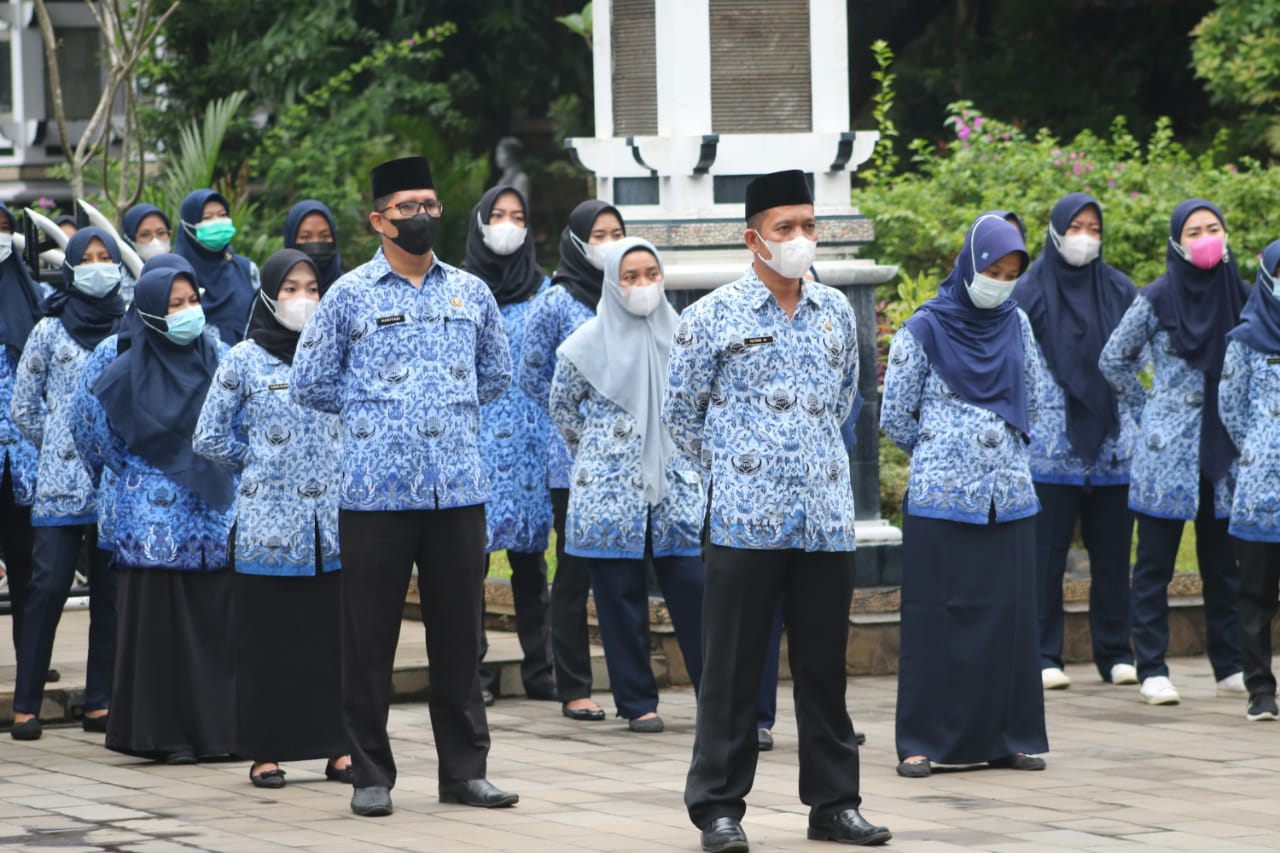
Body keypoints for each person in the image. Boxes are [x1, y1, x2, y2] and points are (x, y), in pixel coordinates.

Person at [666, 170, 890, 851]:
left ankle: (833, 803)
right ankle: (718, 807)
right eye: (785, 228)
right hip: (742, 520)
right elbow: (682, 418)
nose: (799, 239)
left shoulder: (834, 315)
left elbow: (849, 399)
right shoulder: (711, 317)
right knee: (732, 670)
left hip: (824, 520)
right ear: (753, 237)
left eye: (808, 226)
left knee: (825, 667)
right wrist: (734, 476)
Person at [291, 155, 518, 818]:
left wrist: (443, 412)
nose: (420, 216)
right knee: (369, 641)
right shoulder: (350, 296)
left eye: (429, 204)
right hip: (374, 498)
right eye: (406, 208)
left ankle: (465, 769)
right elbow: (310, 380)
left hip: (456, 493)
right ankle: (370, 771)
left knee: (460, 638)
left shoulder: (469, 292)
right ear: (378, 220)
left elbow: (496, 374)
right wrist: (373, 416)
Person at [882, 213, 1049, 779]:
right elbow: (896, 416)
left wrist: (1006, 457)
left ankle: (1008, 737)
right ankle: (921, 742)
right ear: (969, 263)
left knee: (1010, 616)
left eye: (1010, 272)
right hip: (941, 500)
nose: (999, 281)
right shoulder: (923, 328)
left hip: (1010, 497)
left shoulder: (1017, 323)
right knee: (937, 619)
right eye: (991, 269)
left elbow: (1037, 396)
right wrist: (945, 456)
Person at [194, 248, 350, 787]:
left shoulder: (337, 354)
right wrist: (258, 463)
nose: (302, 300)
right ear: (268, 294)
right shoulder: (244, 358)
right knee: (268, 646)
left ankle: (338, 748)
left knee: (330, 645)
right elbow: (208, 435)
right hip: (266, 529)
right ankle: (265, 752)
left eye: (312, 288)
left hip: (330, 531)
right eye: (290, 289)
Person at [71, 266, 237, 763]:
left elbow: (237, 419)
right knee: (159, 630)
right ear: (146, 309)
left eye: (191, 300)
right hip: (150, 525)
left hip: (210, 517)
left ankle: (217, 735)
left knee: (212, 629)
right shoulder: (116, 357)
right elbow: (89, 430)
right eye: (173, 303)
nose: (187, 312)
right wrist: (142, 470)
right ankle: (161, 736)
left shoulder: (219, 353)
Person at [551, 237, 705, 732]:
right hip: (609, 491)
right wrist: (602, 449)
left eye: (651, 275)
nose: (642, 286)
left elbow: (701, 404)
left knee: (695, 594)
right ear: (613, 283)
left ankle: (719, 699)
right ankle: (638, 703)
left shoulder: (687, 337)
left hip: (676, 488)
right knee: (618, 599)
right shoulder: (582, 345)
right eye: (631, 277)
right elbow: (562, 409)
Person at [1100, 198, 1247, 705]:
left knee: (1223, 564)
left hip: (1225, 450)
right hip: (1168, 451)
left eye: (1213, 228)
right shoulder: (1157, 297)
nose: (1205, 238)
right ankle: (1153, 667)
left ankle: (1229, 664)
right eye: (1193, 231)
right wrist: (1150, 410)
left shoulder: (1245, 298)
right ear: (1176, 242)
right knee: (1155, 564)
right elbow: (1113, 359)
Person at [1012, 193, 1139, 690]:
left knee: (1112, 553)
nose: (1084, 236)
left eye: (1094, 227)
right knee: (1046, 556)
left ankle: (1115, 652)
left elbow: (1135, 360)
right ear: (1056, 230)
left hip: (1111, 446)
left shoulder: (1119, 288)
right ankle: (1045, 654)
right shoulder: (1029, 290)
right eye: (1076, 226)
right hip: (1051, 448)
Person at [8, 228, 126, 740]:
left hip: (114, 485)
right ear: (72, 267)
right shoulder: (49, 329)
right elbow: (22, 406)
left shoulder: (129, 326)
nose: (98, 266)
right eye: (89, 258)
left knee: (109, 594)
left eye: (106, 257)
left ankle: (99, 702)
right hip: (58, 486)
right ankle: (26, 704)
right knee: (47, 588)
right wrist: (55, 441)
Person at [519, 199, 625, 723]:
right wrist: (574, 425)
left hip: (628, 461)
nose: (609, 242)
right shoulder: (557, 302)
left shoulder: (631, 293)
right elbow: (532, 375)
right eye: (599, 234)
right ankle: (574, 685)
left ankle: (633, 687)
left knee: (624, 570)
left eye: (617, 232)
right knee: (575, 568)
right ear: (578, 241)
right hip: (573, 459)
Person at [463, 184, 556, 705]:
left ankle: (541, 670)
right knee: (468, 562)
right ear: (479, 222)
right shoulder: (458, 289)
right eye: (497, 214)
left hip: (530, 442)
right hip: (475, 439)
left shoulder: (545, 293)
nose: (507, 224)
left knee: (530, 559)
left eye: (517, 215)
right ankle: (470, 673)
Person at [1218, 238, 1280, 722]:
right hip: (1261, 491)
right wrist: (1262, 447)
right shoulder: (1245, 339)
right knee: (1256, 594)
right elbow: (1231, 408)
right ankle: (1260, 690)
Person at [0, 202, 41, 667]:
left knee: (28, 567)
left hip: (24, 462)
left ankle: (30, 658)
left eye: (6, 228)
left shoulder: (30, 297)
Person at [173, 189, 259, 344]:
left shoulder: (247, 269)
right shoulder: (176, 275)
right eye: (207, 217)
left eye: (223, 215)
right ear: (188, 225)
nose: (218, 222)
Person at [283, 200, 344, 289]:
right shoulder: (274, 293)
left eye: (325, 236)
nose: (316, 246)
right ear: (291, 240)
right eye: (305, 237)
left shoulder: (350, 291)